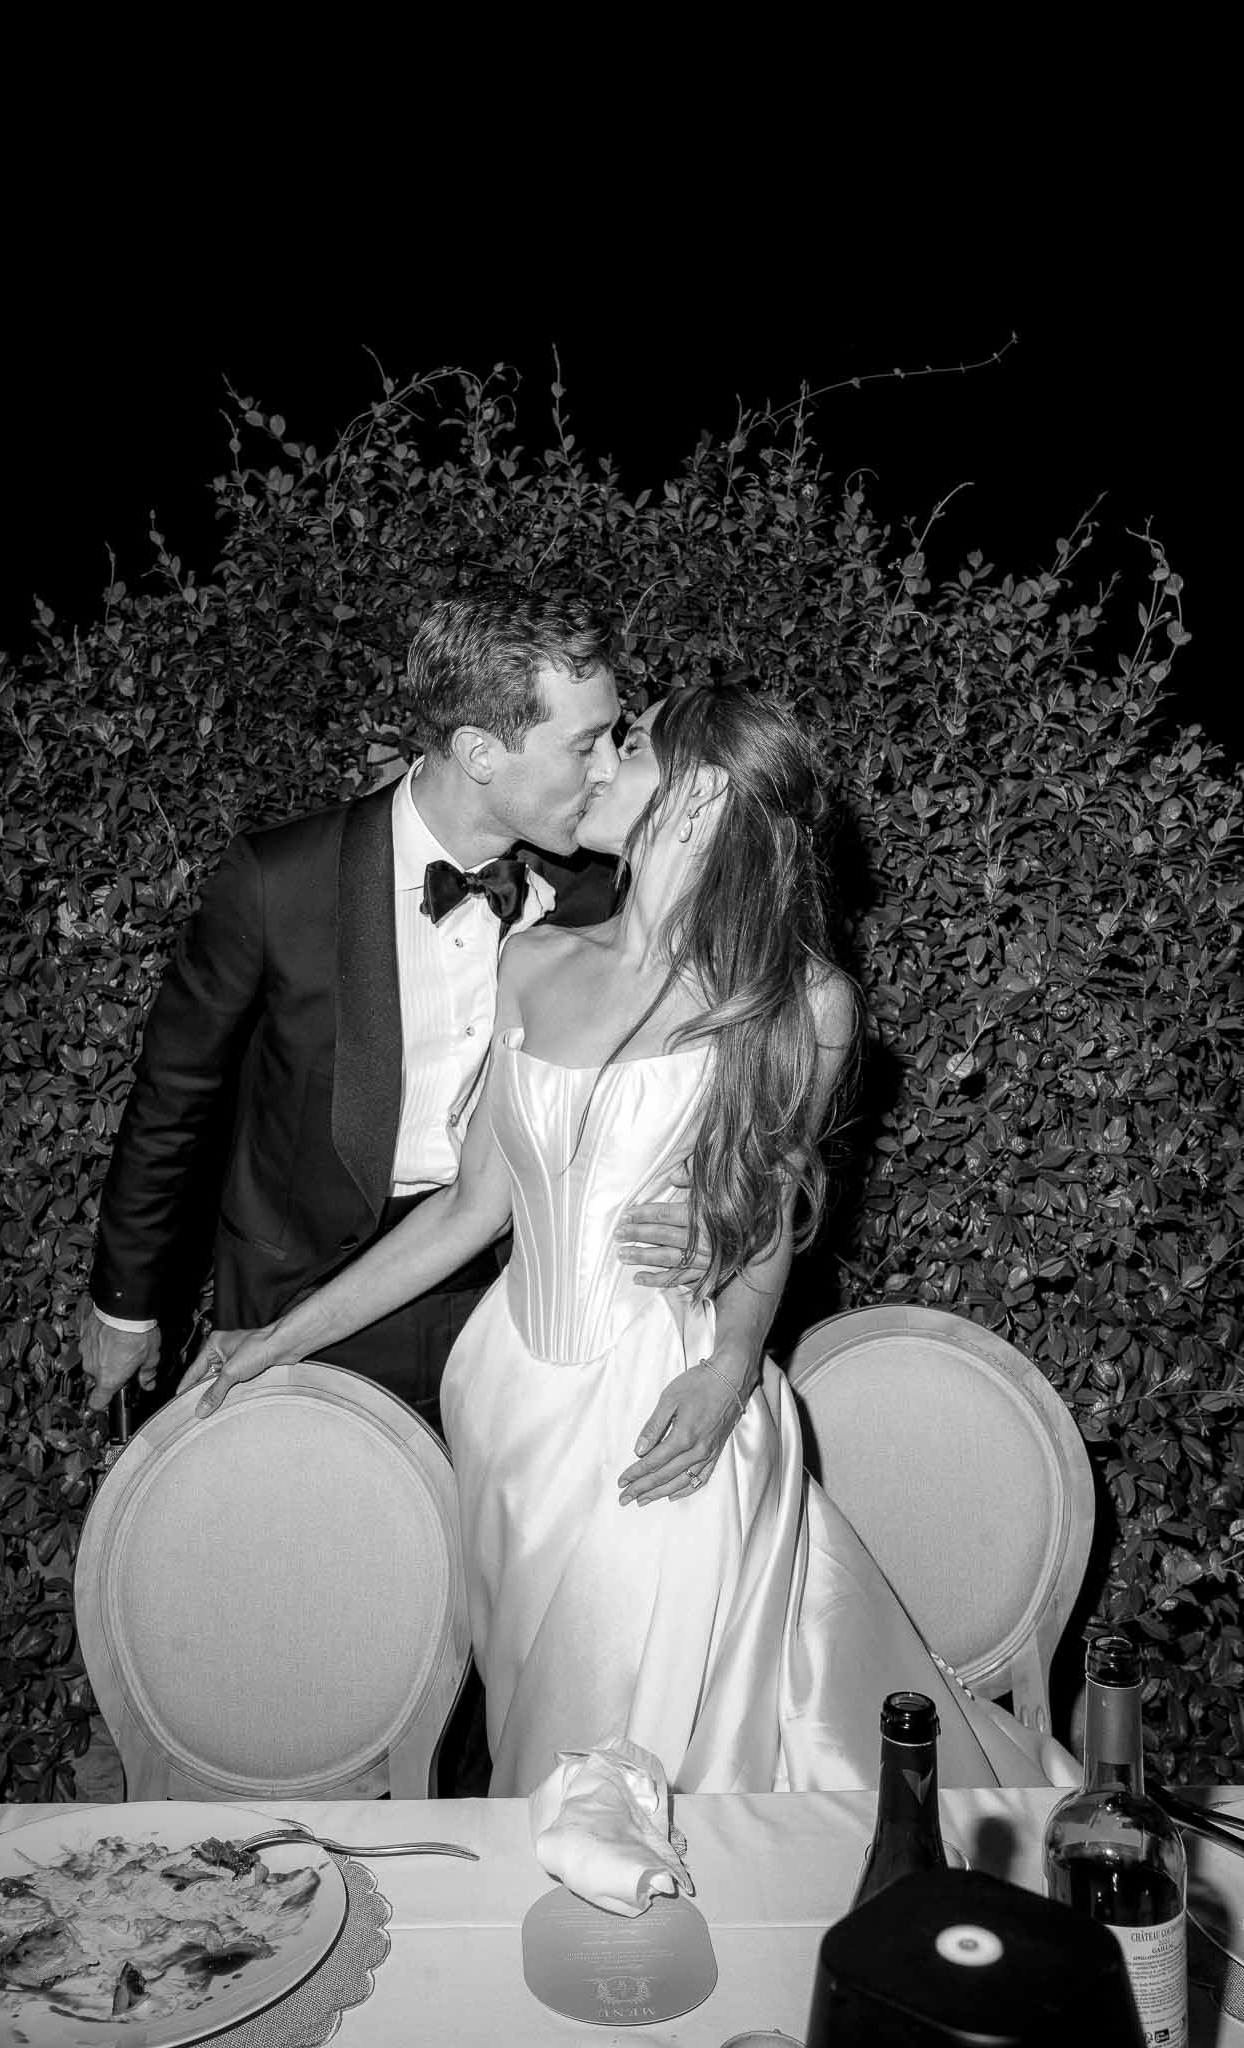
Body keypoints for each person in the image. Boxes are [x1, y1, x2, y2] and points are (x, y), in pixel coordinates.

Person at [185, 680, 1068, 1798]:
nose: (598, 764)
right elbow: (471, 1210)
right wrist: (276, 1336)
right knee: (531, 1742)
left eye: (632, 747)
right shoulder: (533, 960)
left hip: (667, 1415)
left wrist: (734, 1359)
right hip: (508, 1405)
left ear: (697, 797)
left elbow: (774, 1212)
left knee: (625, 1767)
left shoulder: (801, 1004)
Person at [78, 583, 692, 1437]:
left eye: (614, 741)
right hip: (304, 1303)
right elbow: (175, 1098)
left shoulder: (606, 891)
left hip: (529, 1296)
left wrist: (707, 1216)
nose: (606, 772)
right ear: (480, 752)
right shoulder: (280, 881)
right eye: (585, 744)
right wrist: (126, 1305)